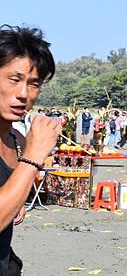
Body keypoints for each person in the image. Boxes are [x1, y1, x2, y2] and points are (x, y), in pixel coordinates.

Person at [0, 25, 63, 275]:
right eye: (14, 80)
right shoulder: (27, 147)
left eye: (34, 84)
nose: (24, 94)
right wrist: (34, 157)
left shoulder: (15, 138)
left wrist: (16, 195)